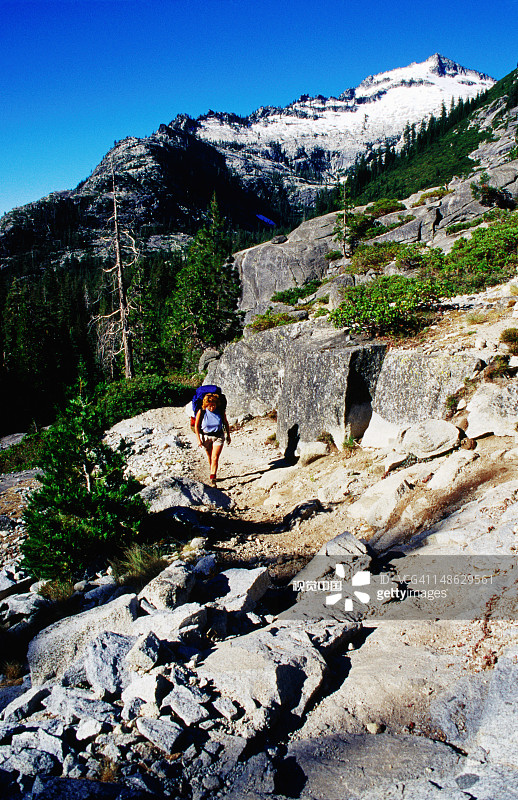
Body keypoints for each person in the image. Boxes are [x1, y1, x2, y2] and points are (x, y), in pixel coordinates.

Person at [194, 393, 231, 486]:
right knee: (210, 456)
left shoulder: (220, 411)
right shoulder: (201, 412)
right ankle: (212, 472)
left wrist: (228, 435)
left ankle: (213, 478)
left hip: (218, 436)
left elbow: (225, 423)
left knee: (215, 458)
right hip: (206, 437)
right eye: (209, 406)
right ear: (206, 405)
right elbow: (196, 426)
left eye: (213, 405)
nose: (212, 408)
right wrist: (198, 439)